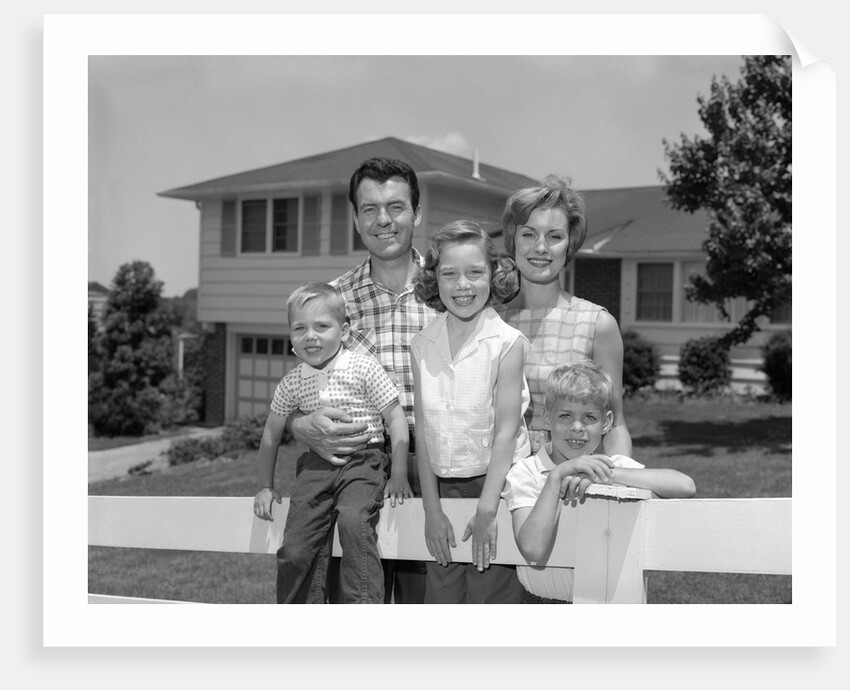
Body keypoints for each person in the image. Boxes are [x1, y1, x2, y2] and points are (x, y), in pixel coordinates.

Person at [286, 157, 437, 604]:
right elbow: (295, 392)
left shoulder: (449, 289)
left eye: (396, 206)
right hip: (352, 466)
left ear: (417, 213)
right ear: (355, 219)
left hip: (434, 467)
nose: (383, 220)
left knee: (426, 607)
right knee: (353, 603)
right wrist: (301, 424)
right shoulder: (332, 302)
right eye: (369, 209)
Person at [253, 282, 411, 603]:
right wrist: (265, 486)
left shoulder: (363, 367)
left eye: (321, 326)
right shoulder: (292, 382)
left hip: (364, 461)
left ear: (345, 331)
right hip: (316, 466)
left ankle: (361, 607)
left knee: (354, 521)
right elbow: (271, 434)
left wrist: (398, 474)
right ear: (290, 336)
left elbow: (396, 419)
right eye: (299, 328)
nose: (310, 336)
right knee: (295, 546)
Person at [503, 360, 696, 603]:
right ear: (547, 418)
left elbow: (685, 486)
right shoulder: (527, 472)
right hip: (544, 602)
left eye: (589, 417)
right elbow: (533, 548)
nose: (577, 427)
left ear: (606, 423)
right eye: (565, 416)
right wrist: (556, 477)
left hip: (613, 601)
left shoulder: (613, 467)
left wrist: (605, 475)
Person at [411, 220, 530, 604]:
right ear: (434, 278)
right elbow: (423, 431)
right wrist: (431, 510)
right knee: (442, 598)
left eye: (475, 272)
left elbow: (506, 433)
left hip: (494, 486)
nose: (462, 285)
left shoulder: (508, 343)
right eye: (450, 274)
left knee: (488, 598)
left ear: (494, 275)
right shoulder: (421, 344)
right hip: (440, 488)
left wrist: (487, 510)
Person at [497, 174, 632, 457]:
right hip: (500, 472)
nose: (541, 247)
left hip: (572, 474)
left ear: (569, 245)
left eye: (554, 236)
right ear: (513, 240)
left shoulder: (597, 324)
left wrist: (619, 476)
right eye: (528, 234)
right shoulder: (491, 321)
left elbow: (615, 425)